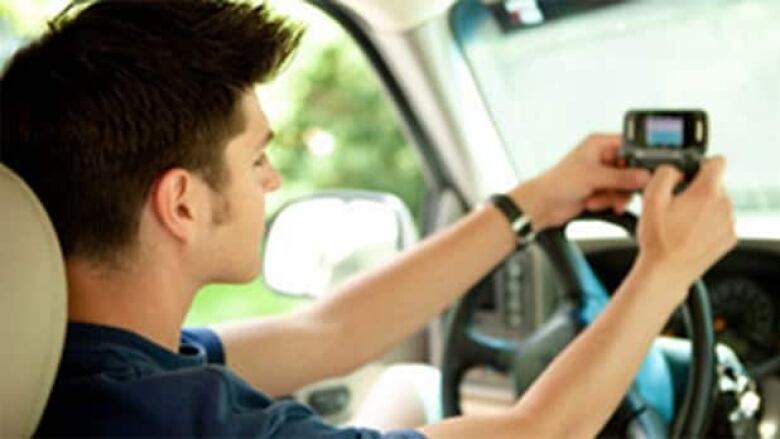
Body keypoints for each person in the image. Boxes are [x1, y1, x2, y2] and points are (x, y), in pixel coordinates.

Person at [0, 1, 736, 438]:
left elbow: (324, 333)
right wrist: (667, 268)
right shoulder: (176, 421)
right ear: (182, 203)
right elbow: (534, 432)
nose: (272, 178)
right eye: (257, 157)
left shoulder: (73, 365)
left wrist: (534, 200)